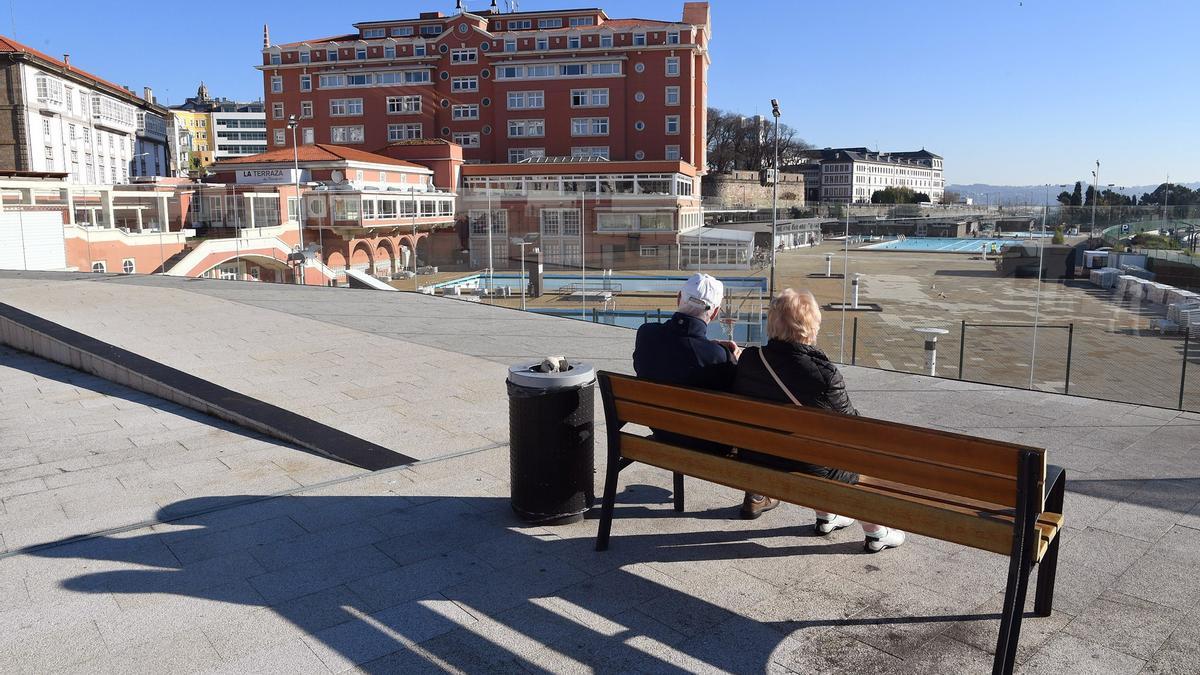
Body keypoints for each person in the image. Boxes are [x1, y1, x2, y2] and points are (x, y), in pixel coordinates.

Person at [732, 288, 905, 553]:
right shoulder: (823, 375)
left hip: (759, 459)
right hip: (808, 467)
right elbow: (853, 429)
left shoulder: (750, 359)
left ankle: (827, 516)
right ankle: (876, 532)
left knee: (809, 444)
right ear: (810, 326)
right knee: (853, 456)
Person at [632, 274, 778, 520]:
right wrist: (736, 362)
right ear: (716, 312)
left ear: (679, 298)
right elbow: (737, 401)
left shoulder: (646, 335)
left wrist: (712, 349)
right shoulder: (718, 357)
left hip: (661, 433)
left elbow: (678, 354)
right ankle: (757, 492)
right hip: (705, 445)